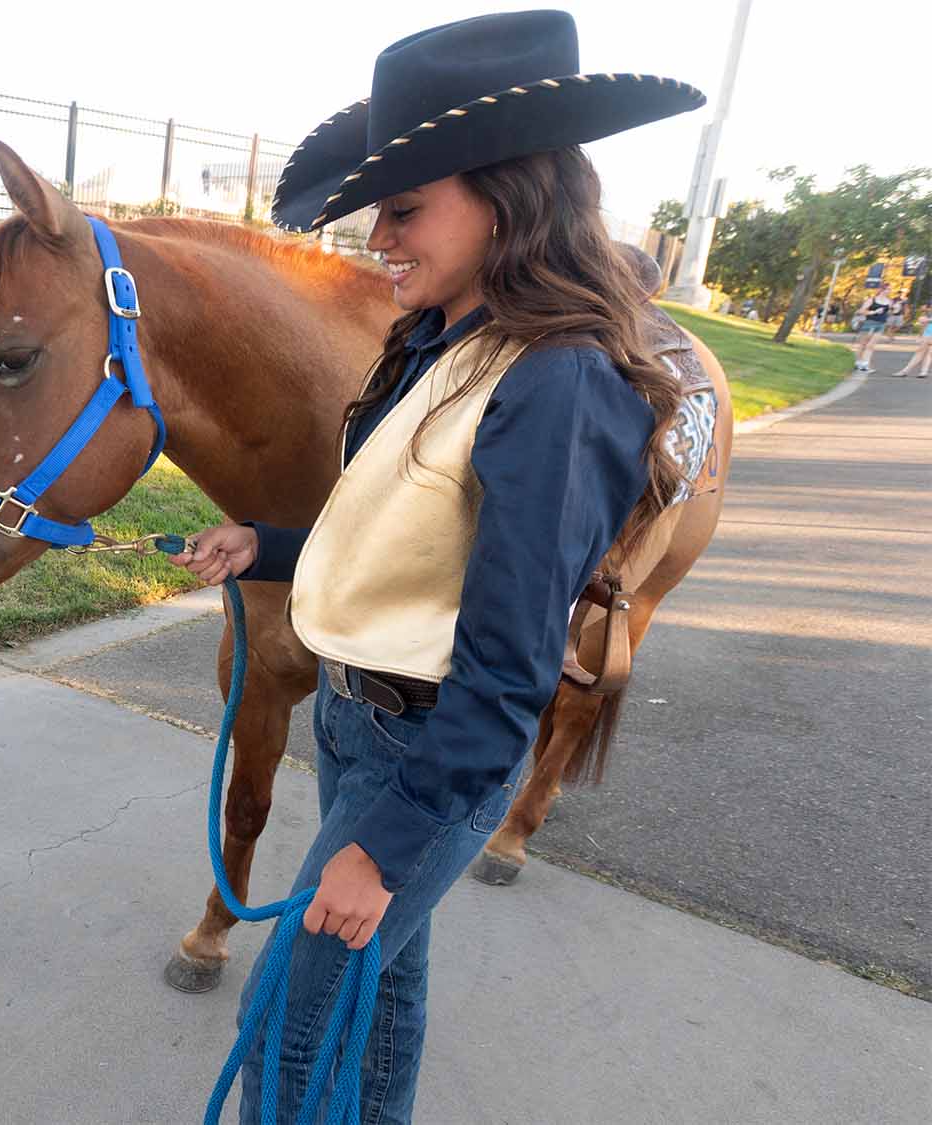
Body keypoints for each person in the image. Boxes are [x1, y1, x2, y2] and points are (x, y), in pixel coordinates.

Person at [169, 13, 699, 1120]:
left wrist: (387, 845)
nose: (378, 236)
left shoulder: (555, 383)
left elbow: (506, 664)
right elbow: (409, 537)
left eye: (404, 208)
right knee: (384, 984)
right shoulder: (442, 339)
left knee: (287, 1028)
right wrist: (263, 547)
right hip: (361, 726)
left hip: (429, 756)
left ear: (507, 196)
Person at [853, 285, 894, 372]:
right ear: (882, 290)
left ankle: (865, 365)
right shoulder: (872, 300)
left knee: (871, 345)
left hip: (881, 324)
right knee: (863, 344)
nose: (889, 291)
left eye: (890, 290)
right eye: (888, 289)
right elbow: (861, 311)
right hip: (869, 323)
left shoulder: (889, 302)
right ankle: (857, 363)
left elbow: (889, 312)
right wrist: (873, 312)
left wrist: (893, 311)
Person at [895, 312, 931, 378]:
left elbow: (926, 321)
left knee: (920, 352)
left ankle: (905, 371)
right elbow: (924, 323)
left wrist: (926, 320)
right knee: (928, 353)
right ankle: (923, 372)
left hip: (929, 334)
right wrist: (921, 335)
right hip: (927, 333)